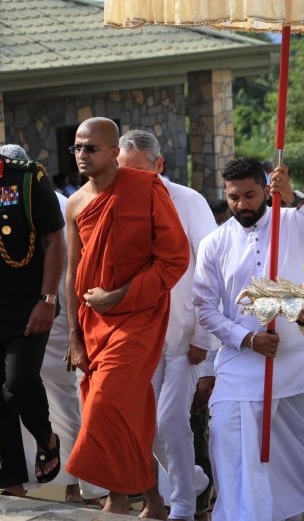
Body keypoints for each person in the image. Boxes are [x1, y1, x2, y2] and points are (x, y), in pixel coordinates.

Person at [193, 157, 304, 521]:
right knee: (230, 441)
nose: (242, 204)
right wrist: (246, 338)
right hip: (241, 361)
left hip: (295, 359)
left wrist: (295, 197)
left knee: (299, 449)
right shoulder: (215, 242)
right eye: (233, 197)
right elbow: (204, 307)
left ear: (266, 189)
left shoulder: (295, 220)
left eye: (250, 195)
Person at [64, 117, 190, 517]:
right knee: (126, 411)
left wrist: (120, 295)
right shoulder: (76, 202)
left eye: (91, 148)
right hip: (92, 323)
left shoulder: (145, 187)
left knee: (105, 401)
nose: (82, 155)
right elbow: (73, 272)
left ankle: (116, 497)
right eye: (77, 148)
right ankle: (149, 500)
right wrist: (73, 336)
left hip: (138, 316)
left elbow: (175, 258)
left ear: (114, 150)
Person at [118, 129, 217, 521]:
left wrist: (203, 338)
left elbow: (212, 272)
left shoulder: (188, 201)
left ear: (159, 165)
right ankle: (192, 482)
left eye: (138, 171)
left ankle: (183, 506)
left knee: (170, 418)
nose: (129, 179)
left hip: (184, 335)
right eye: (123, 171)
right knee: (147, 423)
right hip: (142, 335)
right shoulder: (118, 201)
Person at [0, 144, 64, 497]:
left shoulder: (25, 179)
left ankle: (46, 437)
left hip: (28, 308)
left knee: (18, 384)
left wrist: (47, 299)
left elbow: (55, 241)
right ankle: (12, 485)